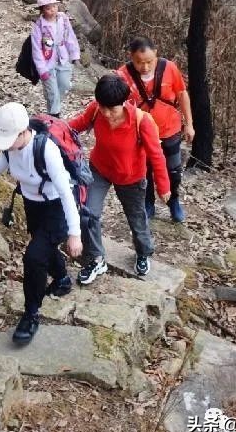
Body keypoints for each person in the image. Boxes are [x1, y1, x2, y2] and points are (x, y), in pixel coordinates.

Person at [0, 102, 83, 345]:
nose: (5, 145)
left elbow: (65, 192)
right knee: (44, 248)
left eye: (8, 139)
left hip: (55, 209)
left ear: (23, 132)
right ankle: (62, 280)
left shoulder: (46, 151)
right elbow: (3, 160)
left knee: (33, 257)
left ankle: (31, 313)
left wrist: (75, 234)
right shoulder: (12, 147)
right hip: (33, 205)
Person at [67, 72, 170, 280]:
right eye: (102, 106)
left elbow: (156, 155)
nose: (105, 113)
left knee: (137, 218)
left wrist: (163, 186)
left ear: (123, 102)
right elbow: (75, 126)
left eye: (110, 108)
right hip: (100, 170)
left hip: (131, 178)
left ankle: (143, 253)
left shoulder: (142, 122)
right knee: (88, 213)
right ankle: (96, 259)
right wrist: (52, 129)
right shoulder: (96, 110)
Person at [117, 36, 195, 223]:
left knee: (173, 170)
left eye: (149, 62)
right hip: (140, 133)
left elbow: (182, 94)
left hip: (170, 128)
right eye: (139, 62)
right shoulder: (123, 75)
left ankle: (173, 201)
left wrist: (189, 124)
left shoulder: (169, 68)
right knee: (145, 170)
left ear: (156, 55)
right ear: (131, 58)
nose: (144, 67)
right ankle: (148, 203)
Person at [31, 0, 81, 117]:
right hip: (47, 62)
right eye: (48, 8)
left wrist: (74, 54)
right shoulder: (39, 26)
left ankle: (52, 108)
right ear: (42, 10)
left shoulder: (62, 19)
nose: (52, 10)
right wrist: (42, 69)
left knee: (64, 85)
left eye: (54, 6)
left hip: (63, 58)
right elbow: (36, 49)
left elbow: (70, 36)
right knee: (52, 91)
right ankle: (54, 116)